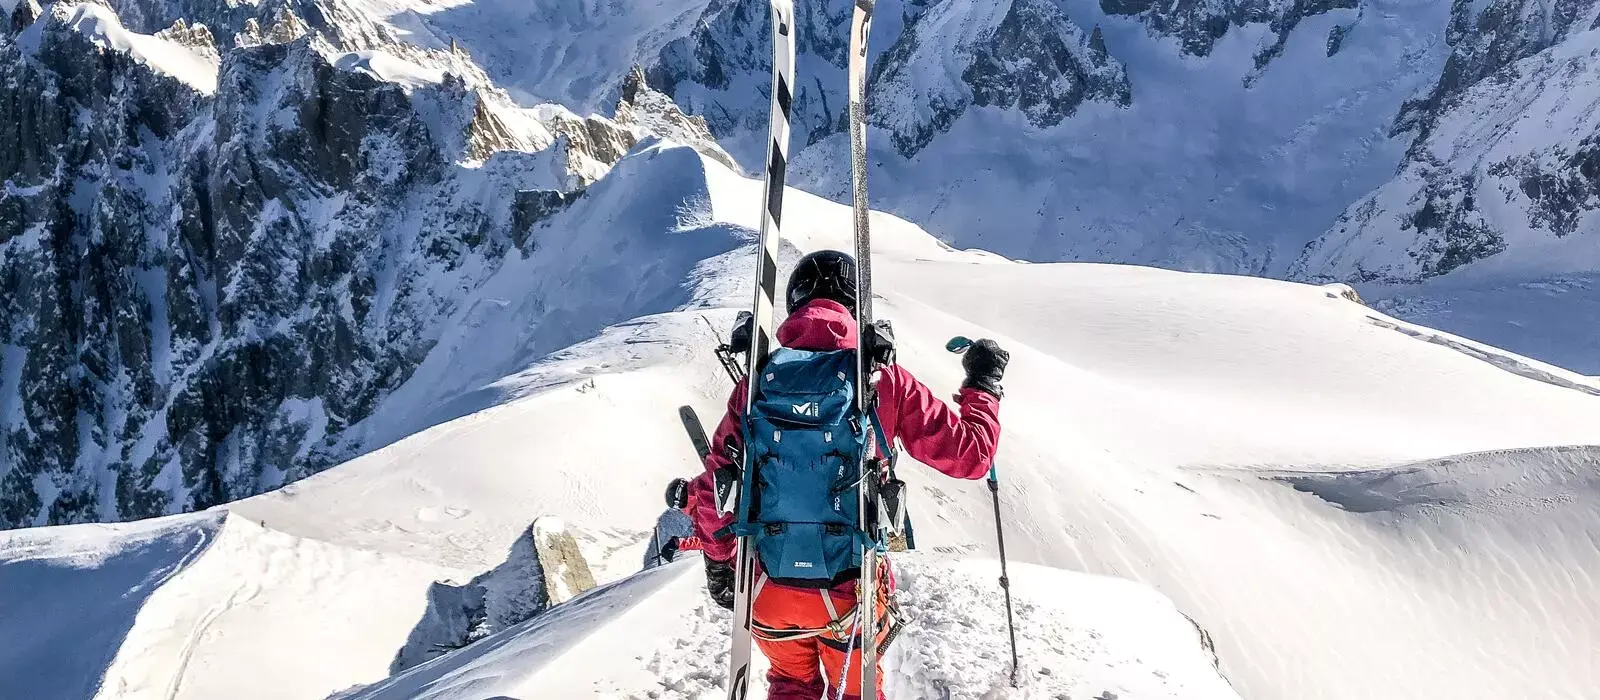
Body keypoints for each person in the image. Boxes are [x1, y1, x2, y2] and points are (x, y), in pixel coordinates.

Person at [688, 250, 1009, 700]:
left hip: (770, 592)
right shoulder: (882, 379)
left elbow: (715, 487)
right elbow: (970, 455)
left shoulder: (757, 382)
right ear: (857, 307)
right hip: (852, 593)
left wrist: (720, 564)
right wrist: (983, 385)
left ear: (794, 305)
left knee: (790, 686)